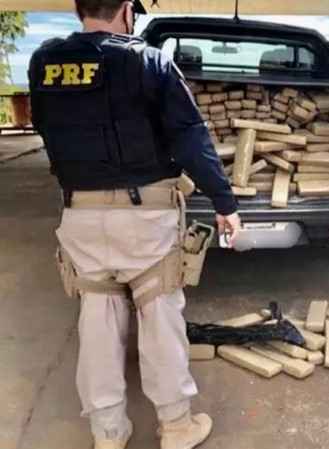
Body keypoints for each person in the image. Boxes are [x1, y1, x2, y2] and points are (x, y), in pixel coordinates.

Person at [28, 1, 240, 448]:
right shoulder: (149, 61)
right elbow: (190, 137)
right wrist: (224, 201)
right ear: (126, 9)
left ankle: (108, 432)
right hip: (146, 216)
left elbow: (46, 128)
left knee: (97, 321)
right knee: (159, 317)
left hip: (80, 214)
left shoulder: (43, 62)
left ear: (79, 9)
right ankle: (176, 427)